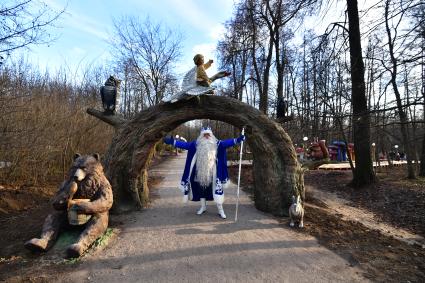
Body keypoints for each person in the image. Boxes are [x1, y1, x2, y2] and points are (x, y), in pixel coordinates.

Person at [164, 126, 245, 219]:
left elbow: (227, 143)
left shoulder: (217, 143)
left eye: (208, 134)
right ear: (201, 136)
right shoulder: (196, 144)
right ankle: (203, 207)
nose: (206, 136)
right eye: (204, 135)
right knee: (201, 190)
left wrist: (238, 140)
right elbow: (184, 145)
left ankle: (220, 210)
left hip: (213, 173)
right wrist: (172, 142)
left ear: (211, 135)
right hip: (200, 172)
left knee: (217, 190)